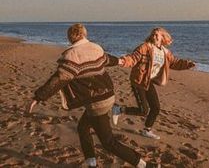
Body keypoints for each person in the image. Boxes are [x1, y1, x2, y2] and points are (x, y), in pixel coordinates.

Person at [25, 23, 156, 168]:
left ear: (70, 37)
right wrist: (120, 61)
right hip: (108, 96)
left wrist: (37, 98)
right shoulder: (96, 48)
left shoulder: (71, 55)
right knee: (82, 128)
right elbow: (108, 59)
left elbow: (58, 80)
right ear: (84, 34)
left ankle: (143, 165)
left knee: (108, 142)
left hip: (96, 103)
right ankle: (91, 162)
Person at [112, 27, 195, 139]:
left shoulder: (165, 52)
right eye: (153, 34)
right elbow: (133, 58)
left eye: (156, 34)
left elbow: (174, 62)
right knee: (144, 110)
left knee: (155, 108)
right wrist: (123, 61)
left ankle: (146, 130)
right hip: (139, 80)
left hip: (148, 81)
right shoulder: (145, 47)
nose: (154, 36)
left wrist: (187, 64)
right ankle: (119, 109)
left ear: (162, 37)